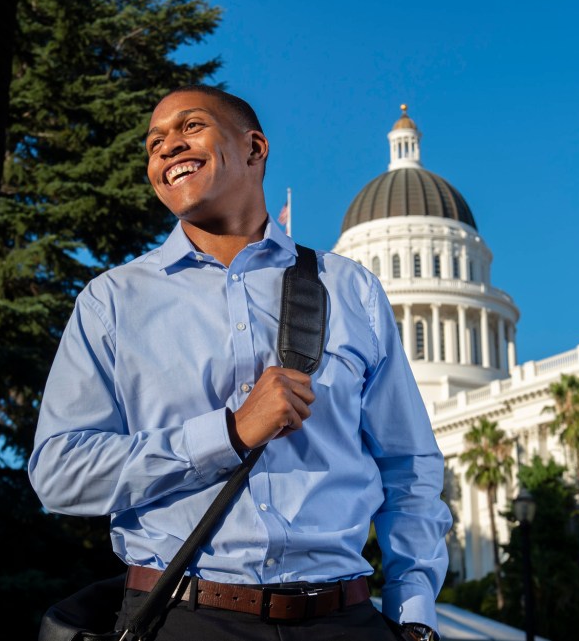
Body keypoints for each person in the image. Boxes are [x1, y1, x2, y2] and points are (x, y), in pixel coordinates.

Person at [29, 85, 451, 641]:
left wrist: (414, 614)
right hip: (184, 618)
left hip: (344, 620)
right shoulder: (112, 302)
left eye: (190, 127)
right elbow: (58, 473)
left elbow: (409, 466)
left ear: (254, 148)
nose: (167, 147)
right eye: (154, 142)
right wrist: (226, 435)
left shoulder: (349, 290)